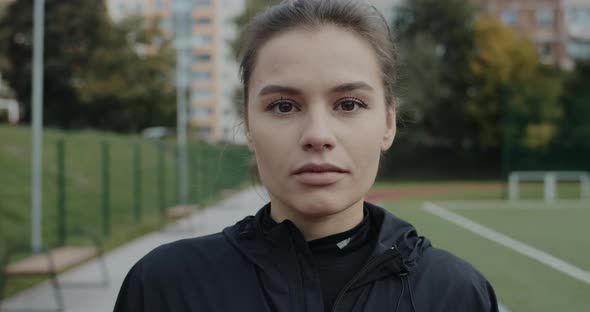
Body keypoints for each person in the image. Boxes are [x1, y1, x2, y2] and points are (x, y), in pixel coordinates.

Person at [114, 0, 499, 311]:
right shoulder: (165, 287)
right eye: (284, 106)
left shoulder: (457, 294)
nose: (318, 135)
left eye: (348, 103)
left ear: (388, 123)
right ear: (248, 125)